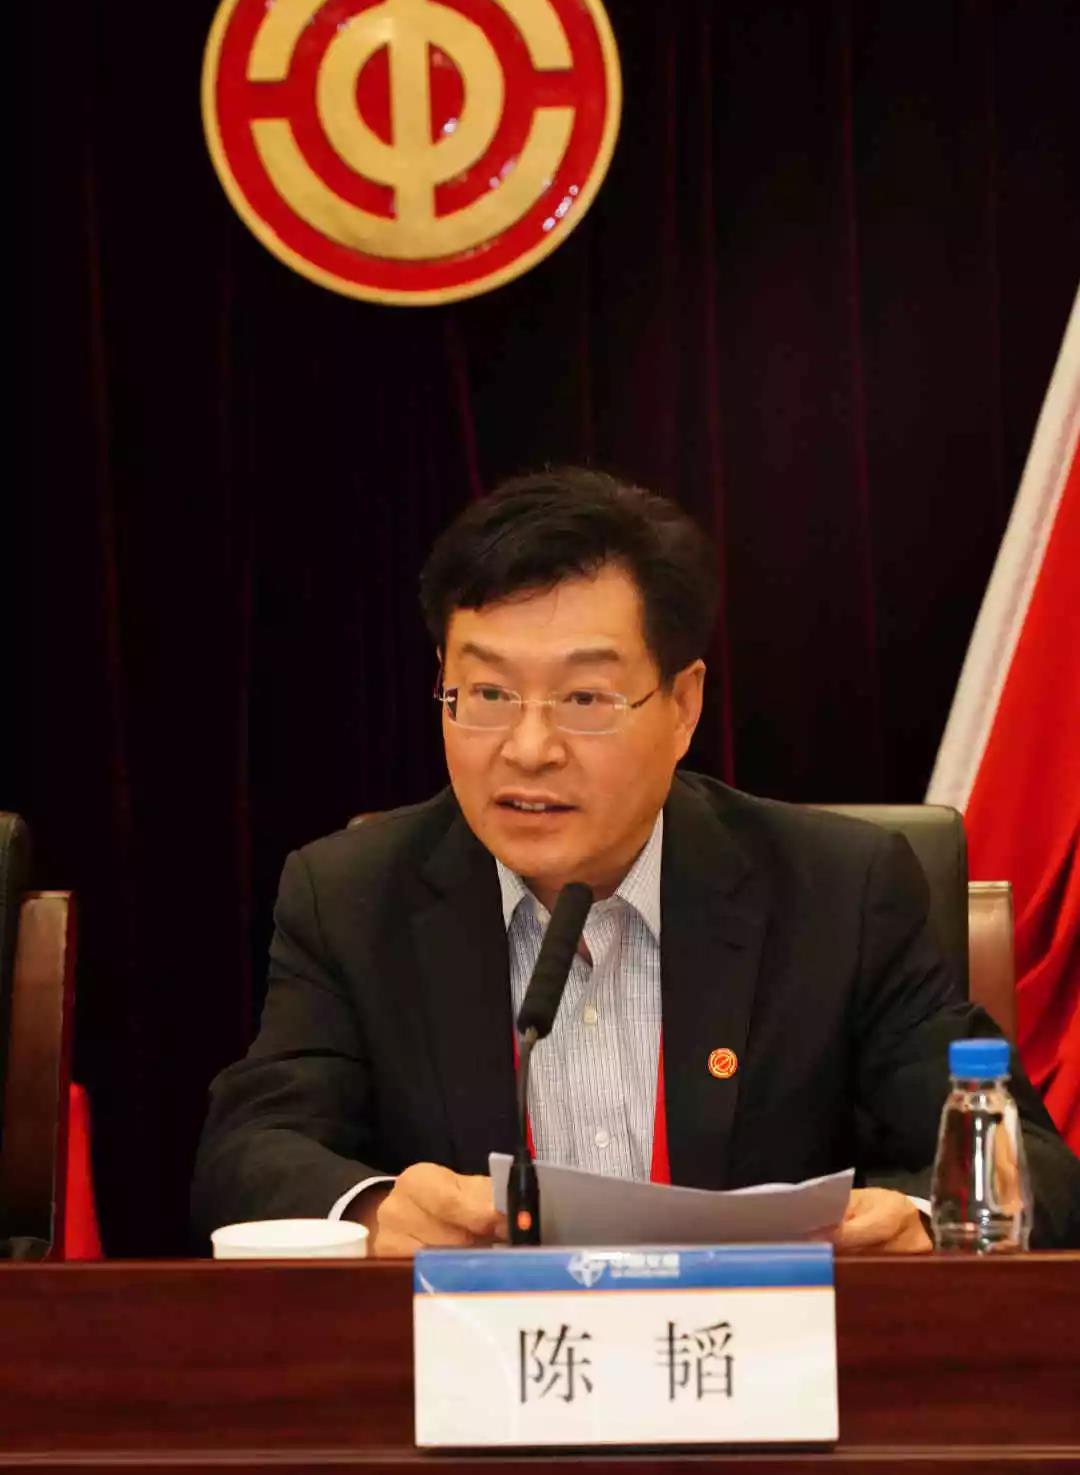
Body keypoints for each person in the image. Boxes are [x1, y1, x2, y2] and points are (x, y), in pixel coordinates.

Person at [192, 469, 1080, 1254]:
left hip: (750, 1372)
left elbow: (1034, 1164)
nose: (528, 748)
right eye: (488, 693)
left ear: (682, 704)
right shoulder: (351, 898)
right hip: (479, 1375)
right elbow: (248, 1152)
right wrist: (378, 1209)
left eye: (584, 697)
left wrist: (920, 1218)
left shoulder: (839, 893)